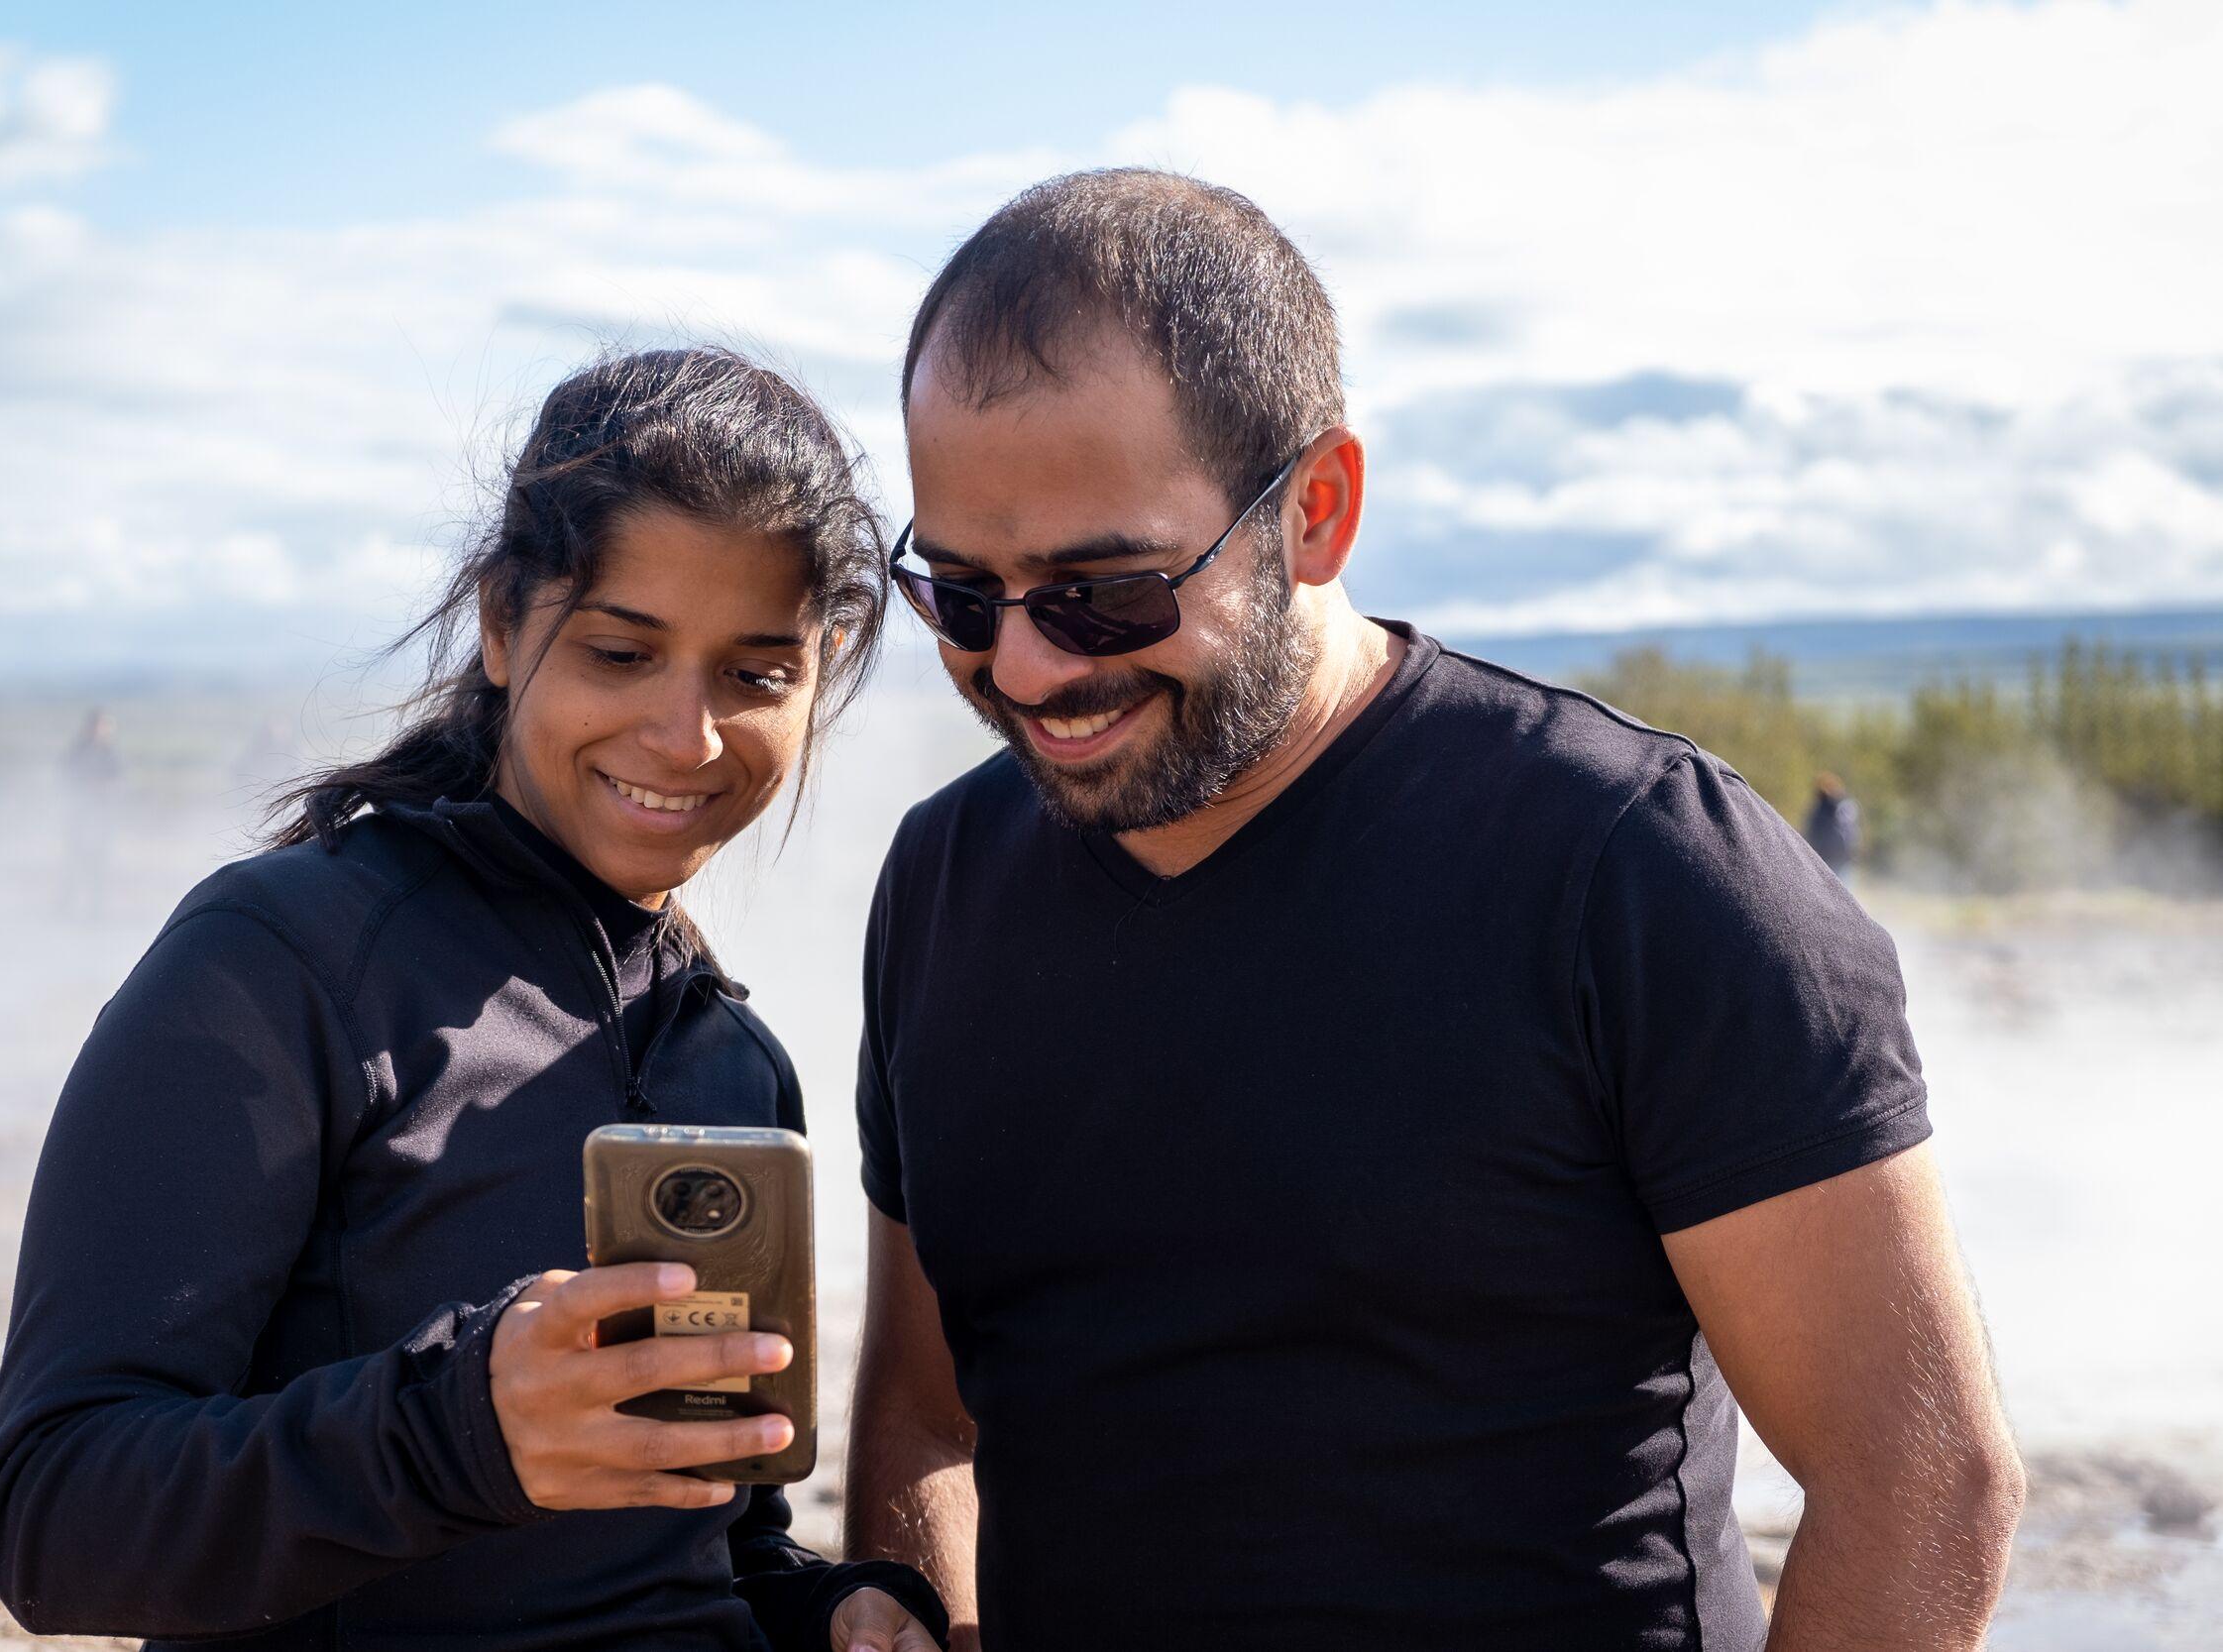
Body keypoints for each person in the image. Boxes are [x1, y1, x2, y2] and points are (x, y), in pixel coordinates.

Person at [846, 171, 2022, 1651]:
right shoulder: (943, 883)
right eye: (959, 592)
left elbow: (1923, 1479)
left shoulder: (1639, 869)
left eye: (1105, 593)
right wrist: (903, 1597)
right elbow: (921, 1415)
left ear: (1316, 510)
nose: (1021, 668)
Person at [0, 349, 947, 1652]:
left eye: (755, 674)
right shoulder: (277, 963)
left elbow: (702, 1536)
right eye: (622, 649)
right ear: (503, 621)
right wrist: (457, 1430)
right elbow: (57, 1523)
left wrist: (828, 1602)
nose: (688, 733)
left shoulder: (733, 1059)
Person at [56, 708, 124, 917]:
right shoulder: (77, 751)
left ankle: (96, 908)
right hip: (79, 816)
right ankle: (68, 904)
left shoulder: (110, 753)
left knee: (99, 864)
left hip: (102, 817)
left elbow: (119, 782)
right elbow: (65, 776)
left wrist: (105, 789)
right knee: (74, 861)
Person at [1803, 770, 1862, 881]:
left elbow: (1811, 832)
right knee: (1844, 893)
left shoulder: (1820, 809)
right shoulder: (1847, 805)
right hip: (1844, 857)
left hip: (1824, 858)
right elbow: (1852, 834)